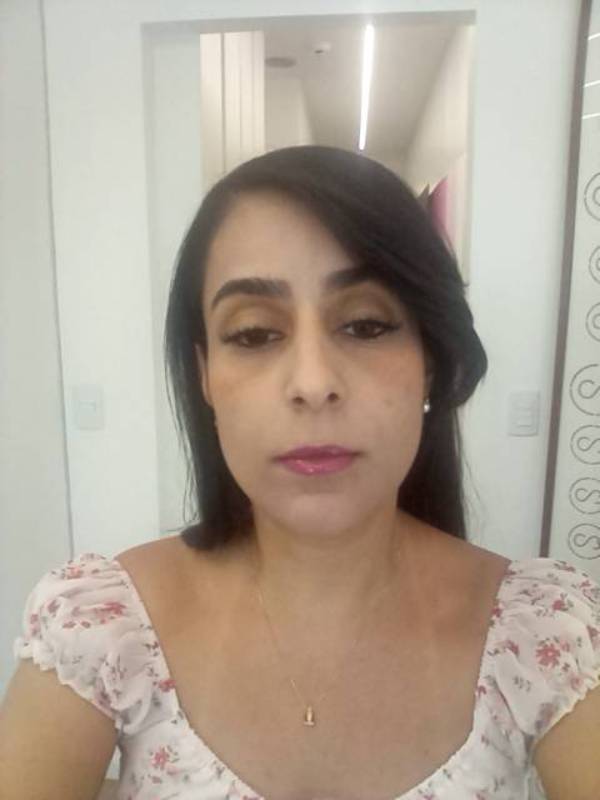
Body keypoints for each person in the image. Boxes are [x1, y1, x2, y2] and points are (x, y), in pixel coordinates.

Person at [1, 145, 599, 800]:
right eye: (255, 334)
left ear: (429, 360)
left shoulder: (544, 634)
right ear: (205, 376)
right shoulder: (100, 628)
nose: (313, 383)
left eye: (366, 324)